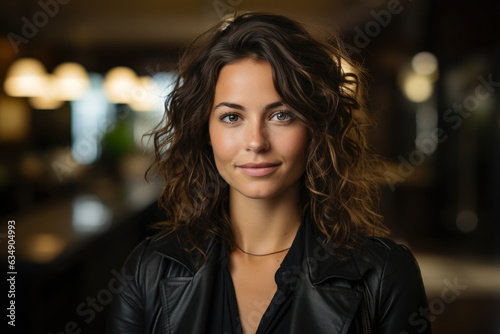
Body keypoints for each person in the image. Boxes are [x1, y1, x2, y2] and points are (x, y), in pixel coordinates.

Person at [107, 12, 431, 334]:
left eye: (281, 115)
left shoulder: (385, 274)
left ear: (315, 127)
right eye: (232, 117)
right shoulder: (148, 270)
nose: (256, 142)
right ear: (205, 131)